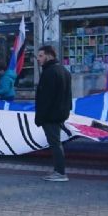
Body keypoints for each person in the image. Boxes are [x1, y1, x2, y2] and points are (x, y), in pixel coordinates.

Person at [34, 45, 72, 182]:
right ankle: (58, 171)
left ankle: (60, 172)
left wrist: (40, 117)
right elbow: (68, 95)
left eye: (41, 56)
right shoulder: (63, 71)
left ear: (49, 56)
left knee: (55, 143)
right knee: (56, 142)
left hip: (51, 115)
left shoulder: (49, 72)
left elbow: (45, 98)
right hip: (60, 113)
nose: (38, 59)